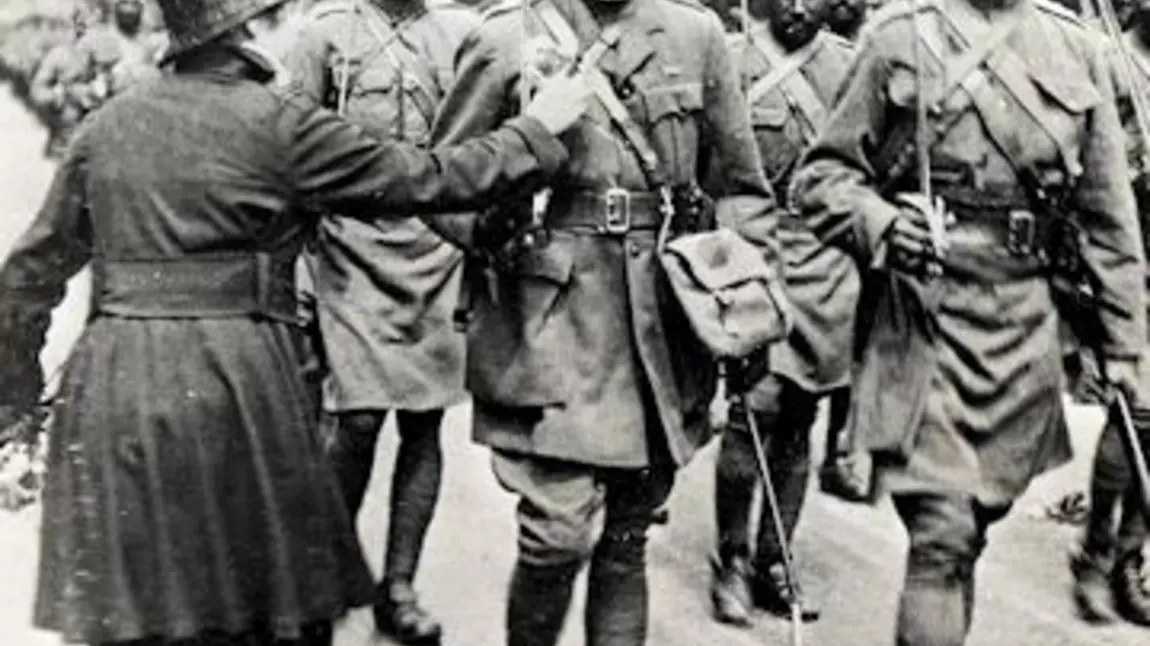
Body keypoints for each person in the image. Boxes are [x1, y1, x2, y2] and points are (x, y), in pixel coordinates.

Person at [0, 0, 594, 643]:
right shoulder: (282, 125)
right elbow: (429, 178)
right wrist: (537, 130)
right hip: (238, 380)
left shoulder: (106, 127)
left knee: (130, 608)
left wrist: (20, 405)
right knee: (249, 605)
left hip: (111, 387)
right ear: (248, 34)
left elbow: (24, 283)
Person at [789, 0, 1147, 643]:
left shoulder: (1075, 47)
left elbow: (1108, 218)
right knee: (942, 534)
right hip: (921, 320)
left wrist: (1126, 344)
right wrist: (884, 224)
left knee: (970, 531)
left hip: (1021, 324)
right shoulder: (899, 36)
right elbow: (820, 179)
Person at [430, 0, 782, 643]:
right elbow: (444, 181)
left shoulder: (694, 34)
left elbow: (740, 185)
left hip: (659, 324)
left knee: (627, 536)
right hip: (551, 322)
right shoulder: (509, 37)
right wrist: (499, 235)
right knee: (554, 536)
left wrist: (743, 287)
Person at [284, 0, 479, 642]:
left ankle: (398, 586)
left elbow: (482, 146)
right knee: (358, 419)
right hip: (348, 248)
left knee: (424, 421)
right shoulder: (325, 33)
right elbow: (293, 155)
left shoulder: (461, 35)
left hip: (436, 248)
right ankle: (328, 577)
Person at [710, 0, 857, 627]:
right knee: (752, 410)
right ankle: (732, 559)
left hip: (825, 259)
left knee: (802, 415)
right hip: (752, 248)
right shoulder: (733, 58)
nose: (801, 7)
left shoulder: (851, 68)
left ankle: (776, 556)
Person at [1071, 0, 1150, 625]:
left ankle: (1132, 558)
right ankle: (1097, 555)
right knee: (1136, 414)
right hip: (1127, 261)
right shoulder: (1105, 61)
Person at [28, 10, 96, 159]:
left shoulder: (107, 55)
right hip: (65, 136)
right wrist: (57, 96)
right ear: (76, 27)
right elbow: (37, 90)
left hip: (98, 137)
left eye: (94, 25)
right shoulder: (59, 55)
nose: (87, 30)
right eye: (82, 25)